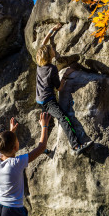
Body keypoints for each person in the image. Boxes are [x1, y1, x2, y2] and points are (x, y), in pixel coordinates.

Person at [36, 23, 93, 155]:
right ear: (50, 56)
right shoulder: (52, 69)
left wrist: (52, 30)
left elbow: (43, 44)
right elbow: (60, 88)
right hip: (48, 101)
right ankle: (76, 146)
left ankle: (42, 148)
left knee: (47, 123)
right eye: (52, 51)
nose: (54, 50)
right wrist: (66, 75)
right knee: (63, 118)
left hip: (39, 100)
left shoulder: (39, 65)